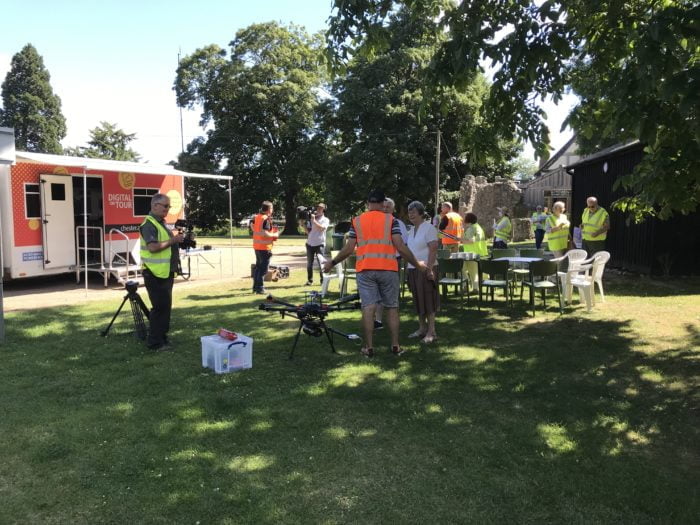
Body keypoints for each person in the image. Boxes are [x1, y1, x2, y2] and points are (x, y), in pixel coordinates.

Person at [323, 189, 428, 357]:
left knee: (368, 307)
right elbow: (400, 246)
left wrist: (332, 262)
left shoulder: (356, 221)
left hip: (365, 270)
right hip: (388, 269)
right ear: (382, 204)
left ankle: (368, 347)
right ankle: (395, 346)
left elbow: (349, 248)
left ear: (368, 203)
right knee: (392, 307)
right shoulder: (391, 220)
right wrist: (418, 264)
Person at [139, 193, 184, 351]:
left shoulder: (161, 223)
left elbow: (168, 245)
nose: (167, 209)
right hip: (154, 273)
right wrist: (173, 240)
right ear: (155, 205)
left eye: (169, 206)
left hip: (164, 272)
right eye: (165, 206)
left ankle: (162, 338)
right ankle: (155, 342)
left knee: (165, 308)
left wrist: (179, 240)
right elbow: (153, 247)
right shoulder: (149, 224)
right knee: (159, 308)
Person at [405, 200, 439, 343]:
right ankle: (421, 328)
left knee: (428, 300)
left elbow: (433, 249)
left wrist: (430, 269)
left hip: (426, 268)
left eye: (413, 211)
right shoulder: (410, 230)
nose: (410, 214)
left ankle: (432, 332)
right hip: (413, 269)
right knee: (418, 299)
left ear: (420, 212)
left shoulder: (429, 228)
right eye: (409, 212)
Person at [374, 197, 408, 330]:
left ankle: (393, 319)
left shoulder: (398, 223)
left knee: (392, 291)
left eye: (388, 207)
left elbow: (403, 243)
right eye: (384, 206)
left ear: (393, 209)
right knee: (377, 291)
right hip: (377, 260)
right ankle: (378, 319)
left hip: (394, 260)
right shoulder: (375, 222)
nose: (385, 209)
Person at [252, 200, 279, 294]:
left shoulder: (257, 217)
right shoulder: (266, 219)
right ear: (268, 209)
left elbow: (252, 226)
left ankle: (255, 287)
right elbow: (265, 232)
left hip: (257, 246)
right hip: (264, 248)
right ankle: (260, 288)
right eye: (271, 208)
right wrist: (274, 234)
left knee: (258, 268)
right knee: (263, 270)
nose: (272, 210)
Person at [304, 203, 330, 286]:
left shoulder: (325, 220)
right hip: (310, 243)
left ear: (324, 210)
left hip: (319, 244)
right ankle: (310, 281)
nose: (318, 209)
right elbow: (308, 232)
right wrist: (302, 224)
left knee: (321, 263)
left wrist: (314, 221)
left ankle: (323, 281)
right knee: (309, 264)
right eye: (318, 208)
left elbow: (322, 229)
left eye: (320, 208)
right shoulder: (311, 219)